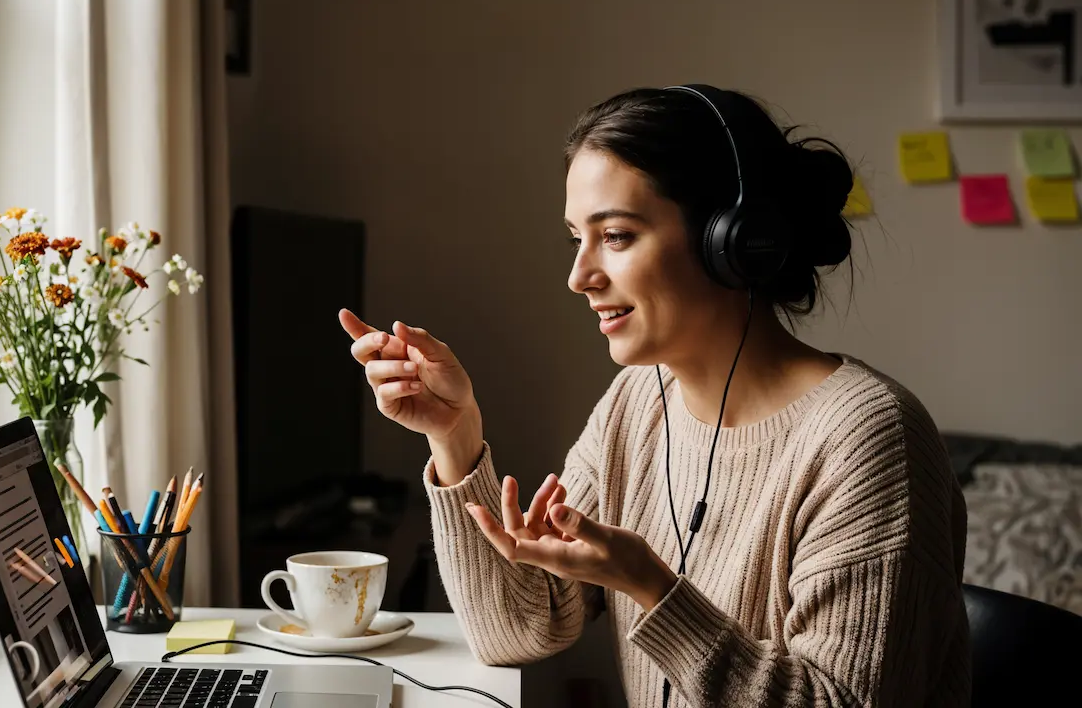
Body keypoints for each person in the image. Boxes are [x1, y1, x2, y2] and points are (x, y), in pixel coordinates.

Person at [338, 85, 970, 707]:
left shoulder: (870, 438)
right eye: (575, 239)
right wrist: (454, 435)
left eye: (614, 236)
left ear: (732, 242)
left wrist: (651, 587)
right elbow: (519, 632)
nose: (579, 276)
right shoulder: (637, 403)